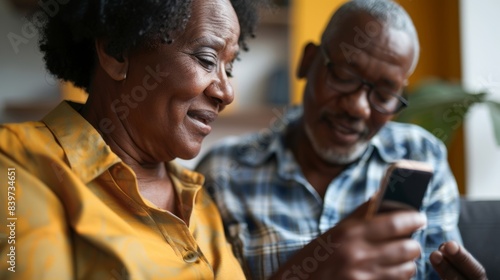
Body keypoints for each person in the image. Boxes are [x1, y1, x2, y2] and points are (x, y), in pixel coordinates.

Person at [196, 0, 487, 279]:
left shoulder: (421, 154)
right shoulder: (224, 171)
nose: (358, 108)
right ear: (308, 61)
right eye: (345, 75)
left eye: (384, 95)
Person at [0, 0, 269, 278]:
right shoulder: (19, 163)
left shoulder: (199, 199)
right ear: (116, 52)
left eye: (230, 68)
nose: (226, 93)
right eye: (207, 60)